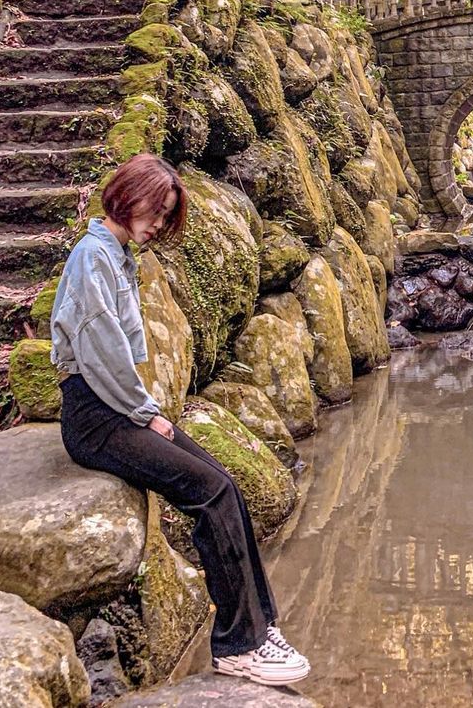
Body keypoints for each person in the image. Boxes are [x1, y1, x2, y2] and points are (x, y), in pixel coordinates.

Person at [50, 152, 309, 686]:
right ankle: (238, 646)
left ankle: (260, 628)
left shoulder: (116, 253)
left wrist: (143, 414)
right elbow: (101, 354)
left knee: (225, 483)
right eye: (158, 210)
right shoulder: (92, 258)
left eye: (167, 215)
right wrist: (147, 415)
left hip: (114, 407)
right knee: (207, 492)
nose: (161, 223)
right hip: (96, 418)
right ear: (128, 195)